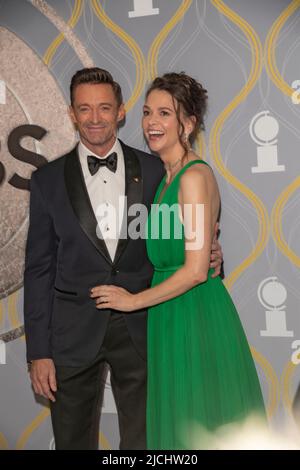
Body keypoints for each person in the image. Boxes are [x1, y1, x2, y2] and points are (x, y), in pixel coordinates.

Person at [24, 68, 222, 450]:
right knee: (72, 441)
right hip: (71, 333)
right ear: (70, 113)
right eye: (85, 108)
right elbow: (38, 269)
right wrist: (39, 352)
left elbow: (182, 230)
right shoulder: (46, 180)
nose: (95, 118)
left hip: (145, 328)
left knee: (144, 442)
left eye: (104, 107)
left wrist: (211, 252)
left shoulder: (156, 171)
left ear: (121, 111)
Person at [92, 72, 266, 450]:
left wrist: (132, 301)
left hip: (194, 315)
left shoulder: (192, 177)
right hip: (169, 316)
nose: (152, 123)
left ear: (188, 123)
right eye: (148, 112)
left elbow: (194, 269)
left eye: (165, 114)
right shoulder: (164, 179)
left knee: (198, 423)